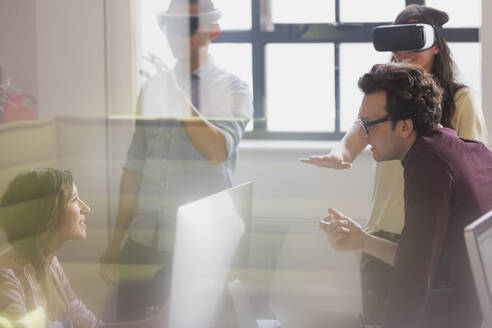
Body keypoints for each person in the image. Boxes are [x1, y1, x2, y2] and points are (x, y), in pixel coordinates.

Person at [301, 4, 488, 324]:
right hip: (386, 232)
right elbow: (353, 140)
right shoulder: (389, 104)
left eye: (414, 40)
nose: (404, 52)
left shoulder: (432, 158)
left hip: (434, 236)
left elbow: (415, 281)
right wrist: (339, 157)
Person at [98, 0, 253, 321]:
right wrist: (116, 241)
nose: (177, 33)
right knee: (129, 320)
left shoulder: (233, 88)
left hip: (198, 243)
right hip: (143, 237)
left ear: (213, 30)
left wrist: (178, 98)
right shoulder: (150, 90)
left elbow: (217, 151)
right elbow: (134, 167)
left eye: (189, 25)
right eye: (171, 24)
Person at [0, 169, 166, 328]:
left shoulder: (50, 263)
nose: (86, 208)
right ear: (48, 214)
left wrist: (159, 321)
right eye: (73, 199)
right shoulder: (5, 275)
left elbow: (94, 327)